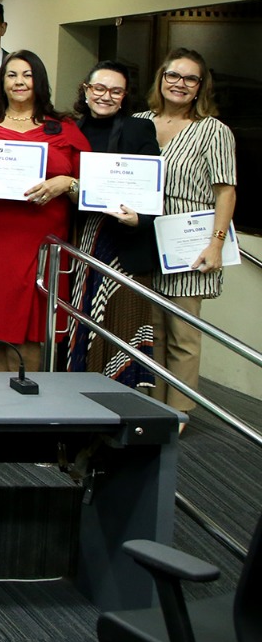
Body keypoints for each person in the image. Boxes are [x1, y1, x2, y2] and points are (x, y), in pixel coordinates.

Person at [0, 50, 89, 374]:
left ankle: (28, 400)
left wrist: (65, 183)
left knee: (30, 334)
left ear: (39, 81)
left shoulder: (63, 127)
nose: (19, 82)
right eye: (11, 75)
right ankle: (0, 402)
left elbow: (92, 186)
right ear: (2, 82)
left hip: (38, 243)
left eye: (27, 75)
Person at [135, 48, 238, 414]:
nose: (180, 84)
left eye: (190, 78)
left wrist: (216, 243)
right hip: (142, 237)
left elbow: (225, 191)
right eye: (173, 75)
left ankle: (179, 410)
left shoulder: (213, 130)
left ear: (200, 87)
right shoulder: (139, 121)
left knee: (182, 333)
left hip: (187, 239)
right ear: (161, 79)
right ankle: (154, 405)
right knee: (152, 330)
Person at [61, 61, 161, 387]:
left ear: (124, 96)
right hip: (80, 240)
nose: (106, 96)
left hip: (123, 244)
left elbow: (152, 186)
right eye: (99, 88)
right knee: (81, 321)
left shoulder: (138, 129)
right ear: (86, 90)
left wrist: (139, 218)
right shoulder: (68, 128)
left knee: (122, 325)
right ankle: (78, 401)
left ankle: (120, 404)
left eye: (116, 91)